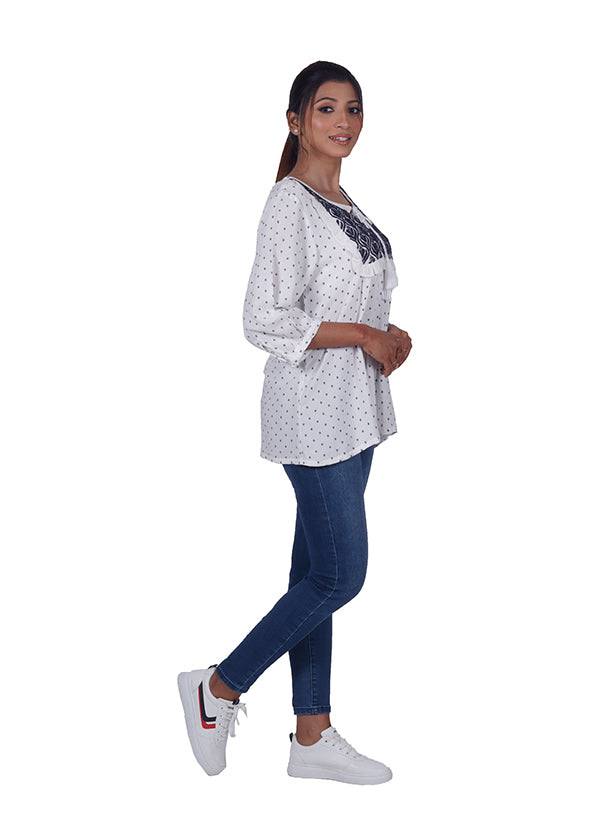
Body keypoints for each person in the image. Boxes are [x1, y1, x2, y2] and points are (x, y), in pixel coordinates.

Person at [178, 60, 412, 785]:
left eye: (354, 109)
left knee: (313, 574)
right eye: (326, 108)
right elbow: (263, 317)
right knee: (341, 575)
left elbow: (344, 300)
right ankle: (218, 687)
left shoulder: (347, 205)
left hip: (354, 410)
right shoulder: (290, 201)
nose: (343, 121)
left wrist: (387, 334)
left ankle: (311, 733)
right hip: (311, 413)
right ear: (296, 121)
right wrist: (364, 335)